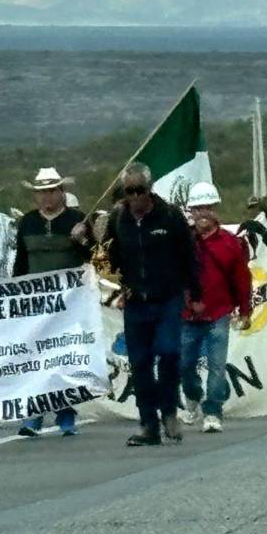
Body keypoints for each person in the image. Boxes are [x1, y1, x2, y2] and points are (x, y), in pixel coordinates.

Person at [103, 163, 200, 447]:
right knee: (140, 364)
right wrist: (86, 238)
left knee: (169, 353)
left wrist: (196, 294)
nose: (134, 197)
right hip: (136, 301)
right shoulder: (118, 219)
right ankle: (149, 424)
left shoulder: (170, 216)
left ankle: (169, 411)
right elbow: (110, 258)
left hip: (167, 298)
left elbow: (189, 257)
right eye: (128, 191)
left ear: (150, 189)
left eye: (139, 190)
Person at [12, 167, 95, 437]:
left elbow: (94, 257)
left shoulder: (77, 220)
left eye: (51, 191)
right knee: (35, 357)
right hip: (35, 303)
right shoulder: (26, 223)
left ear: (62, 192)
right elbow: (20, 264)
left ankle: (66, 411)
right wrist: (16, 296)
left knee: (65, 356)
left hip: (70, 303)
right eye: (41, 192)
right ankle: (34, 413)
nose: (46, 197)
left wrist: (82, 239)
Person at [178, 182, 252, 433]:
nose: (202, 213)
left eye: (206, 207)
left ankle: (212, 411)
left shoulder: (231, 243)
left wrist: (245, 310)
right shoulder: (183, 242)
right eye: (196, 209)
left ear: (214, 209)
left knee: (217, 365)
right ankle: (193, 395)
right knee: (184, 365)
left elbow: (242, 278)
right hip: (187, 315)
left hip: (219, 313)